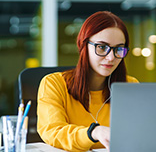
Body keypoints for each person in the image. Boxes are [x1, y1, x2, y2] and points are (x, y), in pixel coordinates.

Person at [37, 11, 139, 151]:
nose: (111, 58)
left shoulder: (130, 86)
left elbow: (140, 133)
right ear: (83, 46)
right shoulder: (53, 84)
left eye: (119, 49)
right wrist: (94, 132)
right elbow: (53, 132)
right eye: (102, 47)